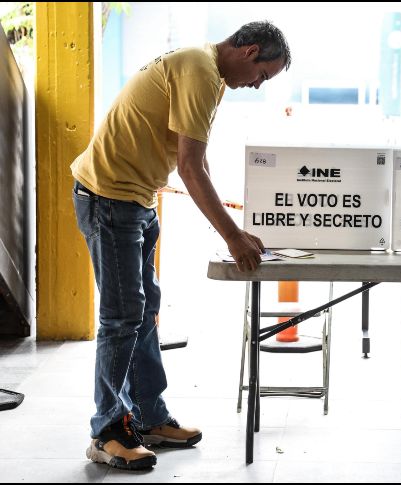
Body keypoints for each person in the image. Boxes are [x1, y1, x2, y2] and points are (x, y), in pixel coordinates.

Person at [71, 21, 291, 470]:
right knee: (121, 317)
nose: (256, 86)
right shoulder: (200, 71)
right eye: (263, 76)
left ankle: (149, 417)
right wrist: (232, 236)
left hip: (137, 198)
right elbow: (190, 169)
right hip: (110, 198)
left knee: (144, 310)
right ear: (249, 51)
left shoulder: (208, 74)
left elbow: (196, 158)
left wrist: (235, 224)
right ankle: (107, 431)